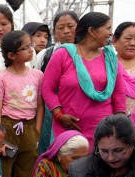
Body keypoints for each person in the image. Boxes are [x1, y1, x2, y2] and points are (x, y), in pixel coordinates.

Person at [41, 12, 126, 151]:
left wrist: (121, 124)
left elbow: (118, 92)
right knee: (70, 170)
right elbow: (47, 88)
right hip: (69, 128)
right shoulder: (63, 54)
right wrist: (59, 115)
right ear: (92, 31)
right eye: (108, 28)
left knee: (98, 169)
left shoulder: (110, 58)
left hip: (103, 131)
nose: (111, 33)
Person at [0, 30, 44, 177]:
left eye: (30, 45)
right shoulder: (2, 78)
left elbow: (40, 106)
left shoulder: (38, 75)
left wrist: (37, 131)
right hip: (7, 128)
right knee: (3, 171)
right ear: (12, 55)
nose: (31, 50)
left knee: (27, 172)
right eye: (25, 47)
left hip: (29, 127)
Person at [32, 10, 79, 154]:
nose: (66, 31)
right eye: (60, 28)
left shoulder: (89, 53)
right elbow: (36, 84)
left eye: (71, 26)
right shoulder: (45, 54)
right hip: (49, 112)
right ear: (54, 31)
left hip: (78, 109)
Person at [113, 22, 135, 143]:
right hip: (112, 127)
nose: (133, 43)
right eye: (128, 38)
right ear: (114, 41)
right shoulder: (107, 64)